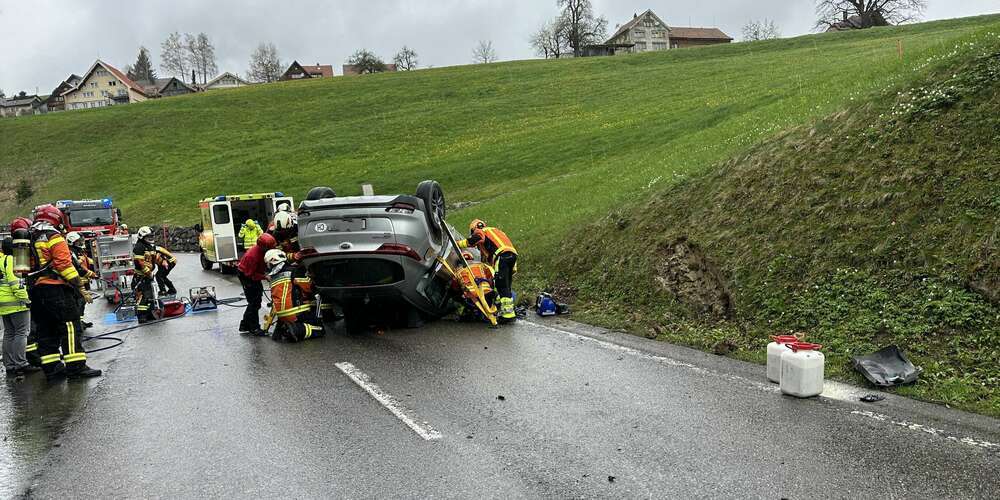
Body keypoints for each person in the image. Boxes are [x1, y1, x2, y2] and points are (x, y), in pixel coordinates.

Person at [28, 204, 101, 380]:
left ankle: (52, 369)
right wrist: (79, 285)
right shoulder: (54, 237)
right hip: (55, 289)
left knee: (46, 329)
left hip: (36, 290)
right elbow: (64, 266)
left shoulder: (30, 237)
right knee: (70, 326)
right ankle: (76, 367)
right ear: (56, 219)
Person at [458, 219, 519, 323]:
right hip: (512, 255)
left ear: (474, 229)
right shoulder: (495, 231)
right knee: (506, 286)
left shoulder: (480, 231)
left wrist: (459, 244)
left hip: (502, 256)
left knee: (501, 285)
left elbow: (477, 239)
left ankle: (507, 316)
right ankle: (507, 312)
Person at [265, 249, 324, 342]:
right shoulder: (293, 271)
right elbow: (308, 287)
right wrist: (312, 278)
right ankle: (296, 329)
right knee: (320, 329)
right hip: (295, 314)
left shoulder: (272, 277)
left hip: (281, 315)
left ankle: (284, 328)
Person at [2, 236, 38, 376]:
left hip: (4, 304)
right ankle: (21, 364)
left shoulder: (2, 260)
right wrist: (26, 299)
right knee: (21, 333)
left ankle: (10, 365)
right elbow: (17, 283)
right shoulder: (14, 260)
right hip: (17, 303)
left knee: (9, 333)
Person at [237, 233, 277, 336]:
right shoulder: (252, 256)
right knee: (254, 303)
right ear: (264, 247)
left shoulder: (262, 251)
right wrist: (265, 277)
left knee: (256, 300)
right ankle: (254, 328)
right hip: (246, 276)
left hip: (252, 273)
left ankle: (244, 325)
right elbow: (251, 275)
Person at [66, 232, 97, 329]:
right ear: (71, 242)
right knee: (79, 302)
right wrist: (91, 274)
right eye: (78, 241)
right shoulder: (71, 252)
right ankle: (77, 324)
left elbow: (86, 262)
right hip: (77, 281)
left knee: (82, 302)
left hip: (84, 280)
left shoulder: (79, 251)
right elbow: (78, 268)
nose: (81, 243)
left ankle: (80, 321)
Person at [132, 226, 160, 324]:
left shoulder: (150, 246)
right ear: (142, 236)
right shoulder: (139, 247)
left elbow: (154, 259)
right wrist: (148, 272)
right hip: (141, 277)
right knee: (142, 297)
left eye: (151, 236)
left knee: (150, 295)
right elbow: (139, 263)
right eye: (148, 236)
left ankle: (149, 313)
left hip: (148, 276)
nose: (151, 238)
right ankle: (141, 316)